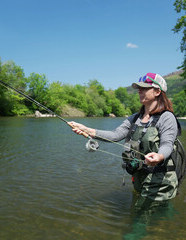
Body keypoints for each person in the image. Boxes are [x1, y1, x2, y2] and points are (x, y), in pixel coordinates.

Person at [69, 73, 179, 210]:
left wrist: (159, 156)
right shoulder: (134, 118)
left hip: (160, 180)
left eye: (144, 88)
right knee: (153, 214)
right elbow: (115, 135)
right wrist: (86, 129)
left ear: (157, 91)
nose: (139, 91)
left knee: (139, 223)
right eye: (139, 88)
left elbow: (167, 144)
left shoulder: (166, 117)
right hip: (140, 178)